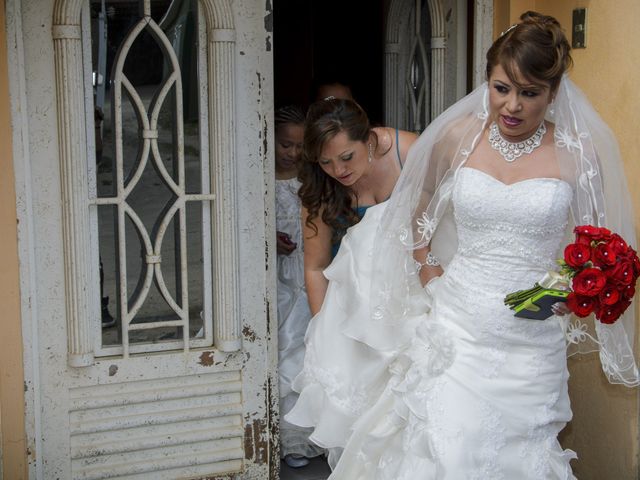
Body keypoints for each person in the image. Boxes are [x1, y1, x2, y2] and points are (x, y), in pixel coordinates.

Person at [289, 11, 639, 479]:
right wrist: (430, 272)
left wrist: (562, 289)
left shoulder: (577, 154)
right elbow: (419, 210)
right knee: (447, 447)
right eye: (501, 88)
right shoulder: (457, 138)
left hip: (531, 341)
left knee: (523, 452)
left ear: (553, 93)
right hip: (457, 328)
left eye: (529, 92)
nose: (511, 106)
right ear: (487, 82)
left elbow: (598, 243)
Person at [273, 105, 325, 469]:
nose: (292, 153)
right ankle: (271, 429)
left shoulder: (312, 179)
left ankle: (304, 435)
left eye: (298, 146)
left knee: (303, 346)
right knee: (276, 343)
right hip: (272, 275)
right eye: (284, 145)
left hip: (307, 271)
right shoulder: (257, 178)